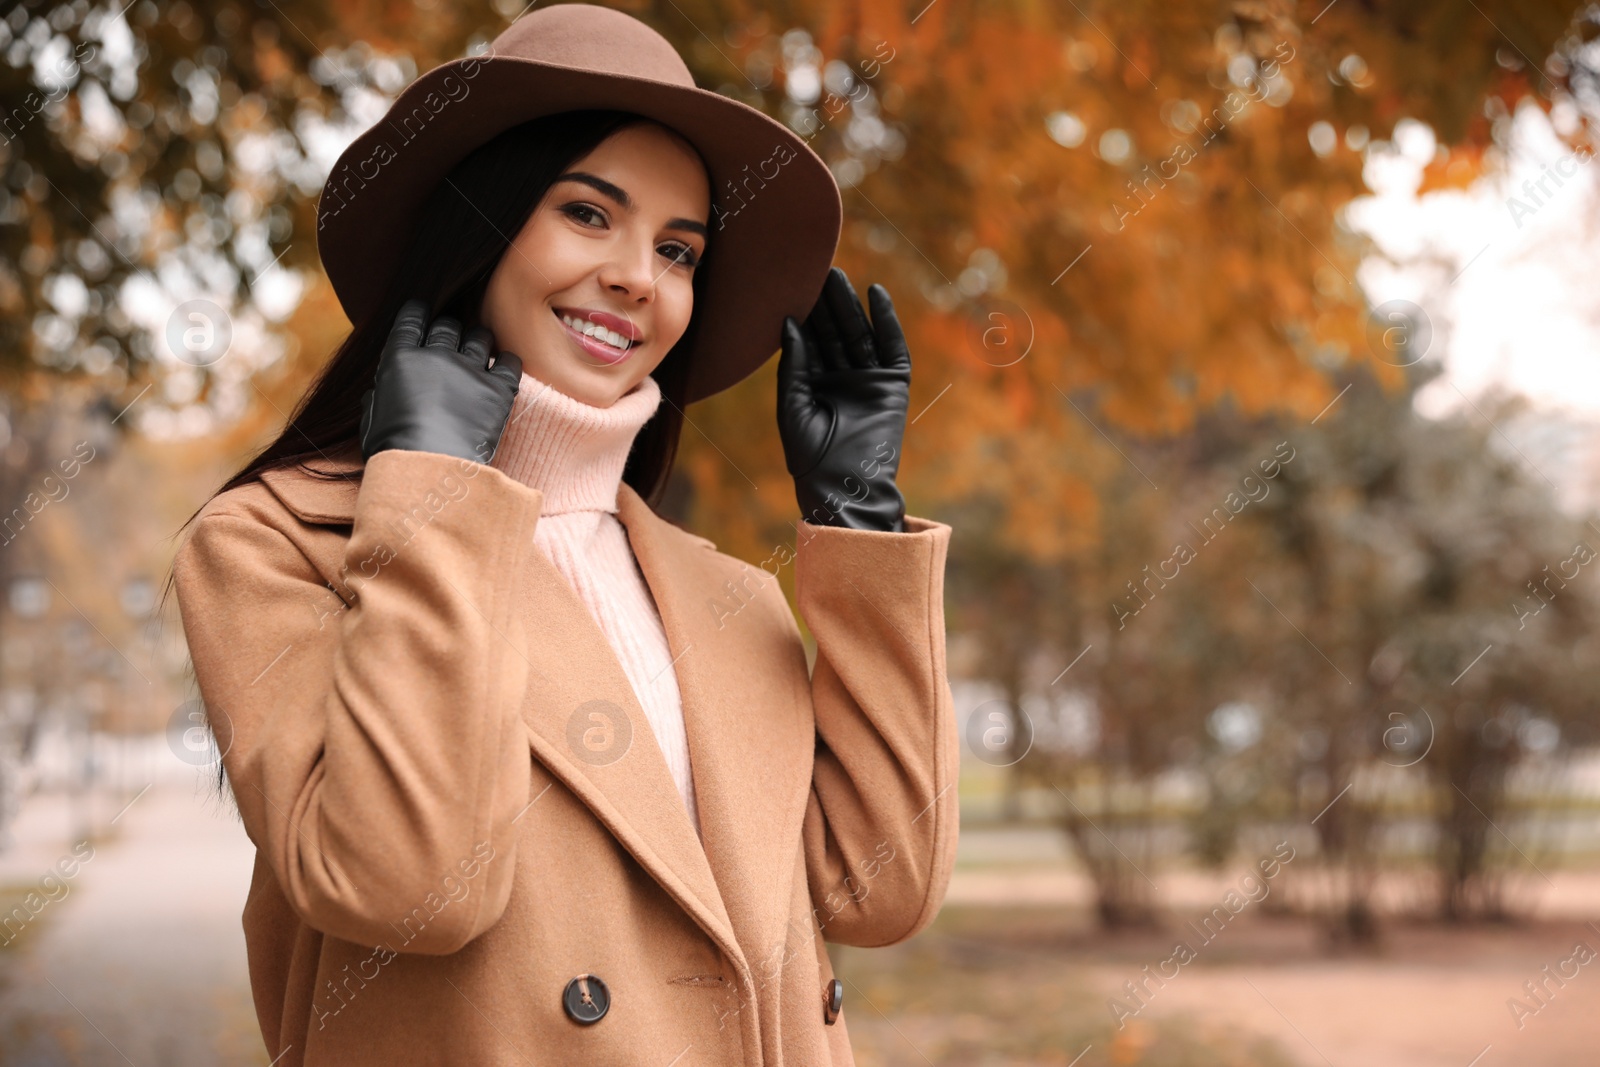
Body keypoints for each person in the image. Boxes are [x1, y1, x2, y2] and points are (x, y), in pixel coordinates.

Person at [168, 6, 957, 1064]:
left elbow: (881, 887)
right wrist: (435, 492)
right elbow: (408, 882)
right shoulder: (273, 544)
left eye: (679, 249)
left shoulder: (721, 591)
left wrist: (855, 524)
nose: (640, 275)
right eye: (589, 213)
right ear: (479, 226)